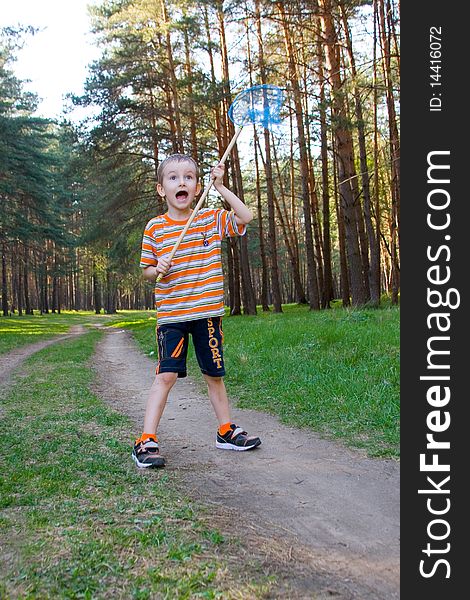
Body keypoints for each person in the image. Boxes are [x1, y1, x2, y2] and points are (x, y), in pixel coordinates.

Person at [132, 153, 261, 468]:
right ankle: (146, 440)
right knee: (167, 375)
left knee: (213, 375)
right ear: (161, 189)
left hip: (207, 314)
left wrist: (222, 186)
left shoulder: (210, 219)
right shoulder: (155, 228)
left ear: (197, 186)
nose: (182, 182)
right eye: (173, 178)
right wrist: (157, 267)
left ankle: (226, 430)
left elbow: (245, 217)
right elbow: (147, 272)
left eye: (188, 177)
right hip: (173, 317)